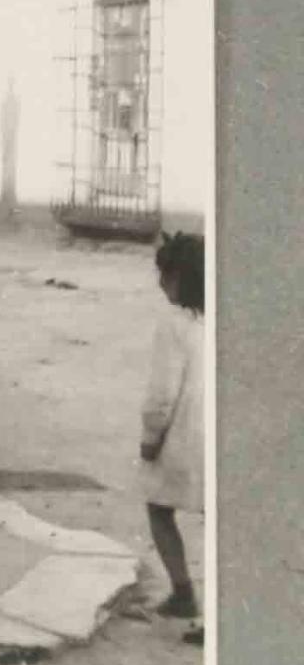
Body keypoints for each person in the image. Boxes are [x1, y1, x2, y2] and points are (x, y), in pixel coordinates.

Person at [138, 230, 206, 642]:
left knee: (159, 508)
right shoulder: (215, 316)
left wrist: (150, 437)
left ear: (180, 277)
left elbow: (161, 394)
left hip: (183, 437)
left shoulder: (173, 324)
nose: (160, 282)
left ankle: (183, 591)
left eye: (164, 274)